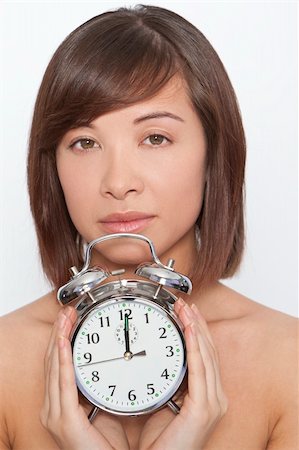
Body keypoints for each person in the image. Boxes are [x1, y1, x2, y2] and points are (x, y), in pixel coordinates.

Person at [0, 4, 297, 450]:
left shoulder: (286, 361)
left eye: (155, 138)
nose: (119, 183)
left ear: (214, 153)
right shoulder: (6, 360)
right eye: (84, 142)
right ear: (52, 165)